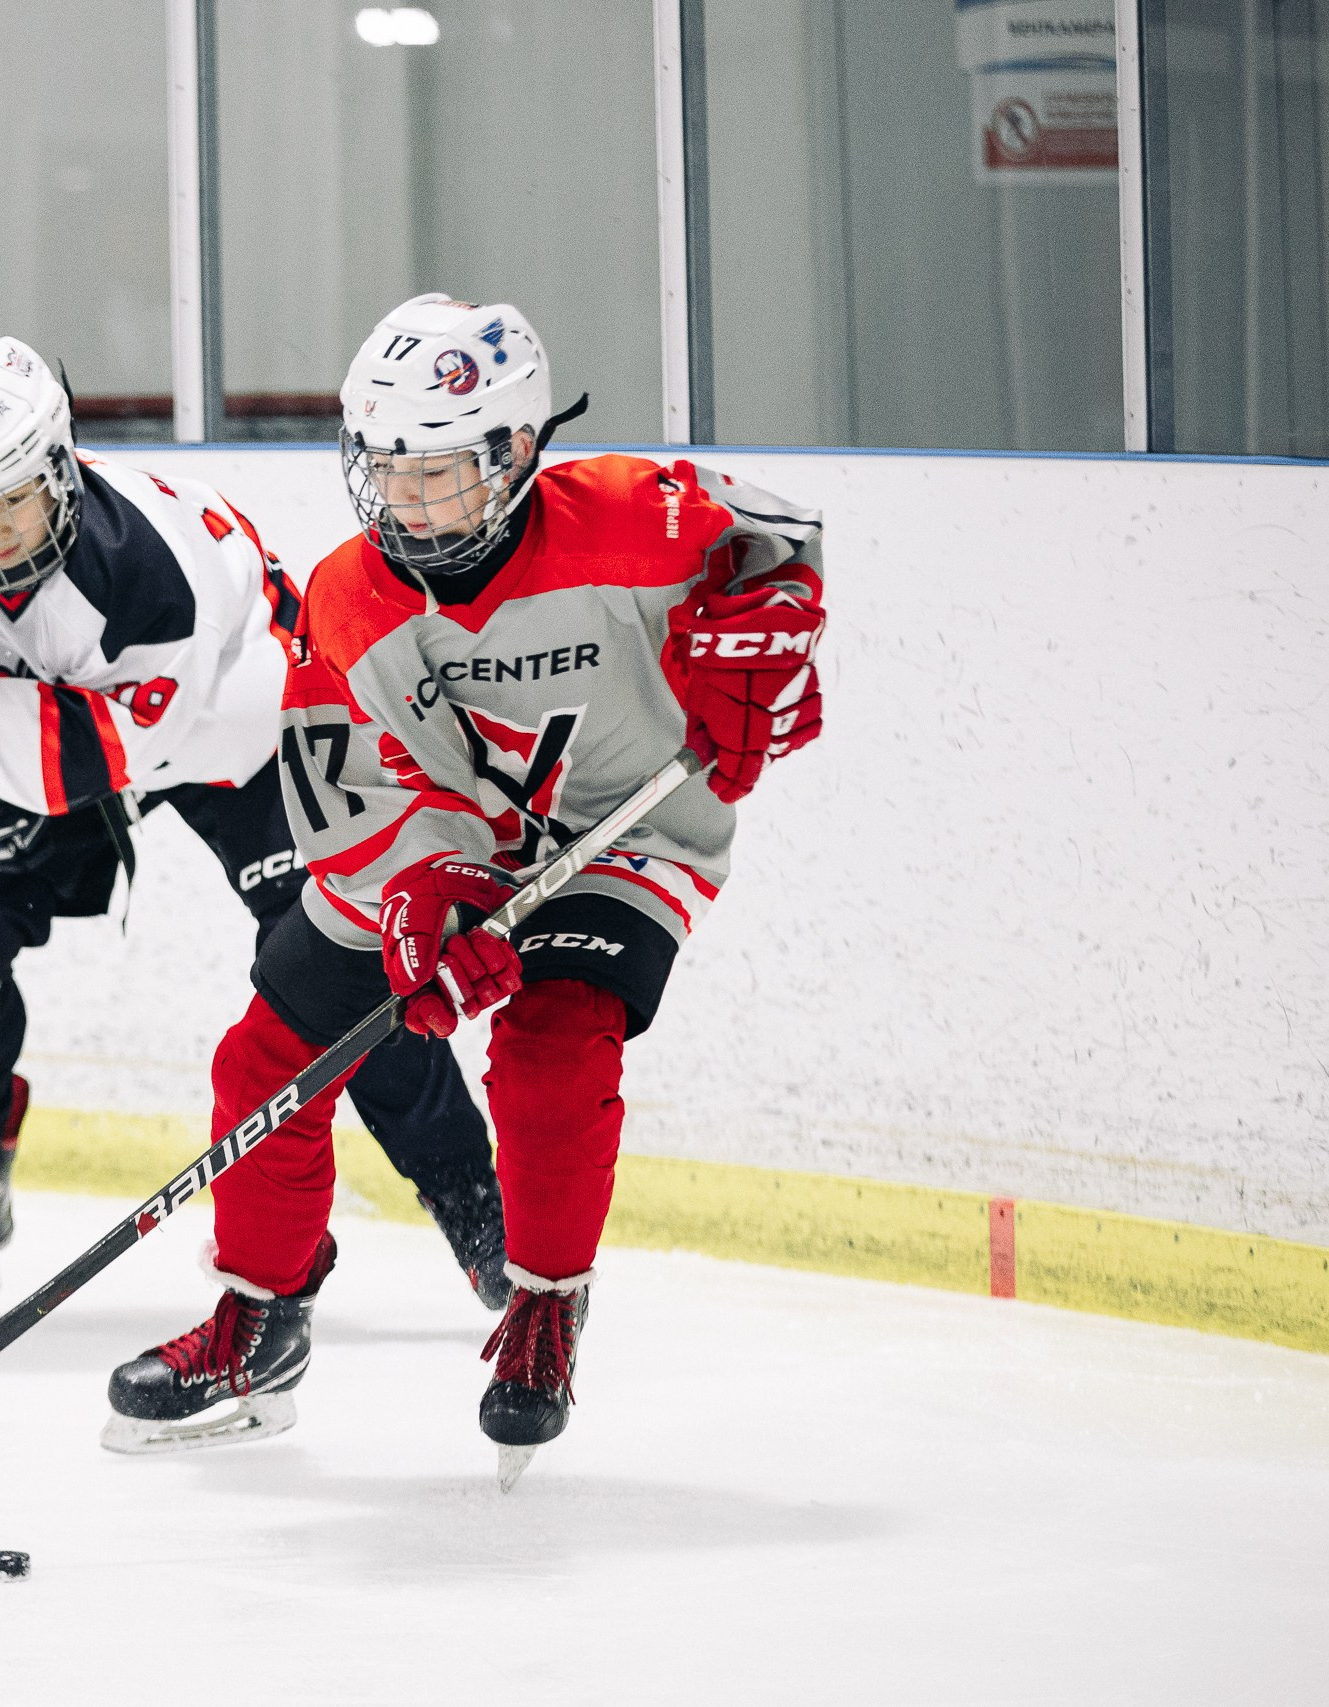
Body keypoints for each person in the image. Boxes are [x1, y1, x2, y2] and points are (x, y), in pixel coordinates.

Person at [102, 296, 827, 1478]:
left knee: (554, 1041)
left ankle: (542, 1306)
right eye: (388, 471)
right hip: (439, 843)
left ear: (520, 452)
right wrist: (422, 897)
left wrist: (772, 624)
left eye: (441, 474)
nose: (409, 503)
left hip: (624, 831)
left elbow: (779, 536)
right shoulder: (346, 597)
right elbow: (348, 799)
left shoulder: (632, 518)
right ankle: (257, 1326)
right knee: (267, 1055)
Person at [0, 336, 506, 1331]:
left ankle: (480, 1210)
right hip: (66, 729)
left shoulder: (148, 576)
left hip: (246, 728)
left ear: (61, 470)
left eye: (12, 502)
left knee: (334, 967)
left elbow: (85, 764)